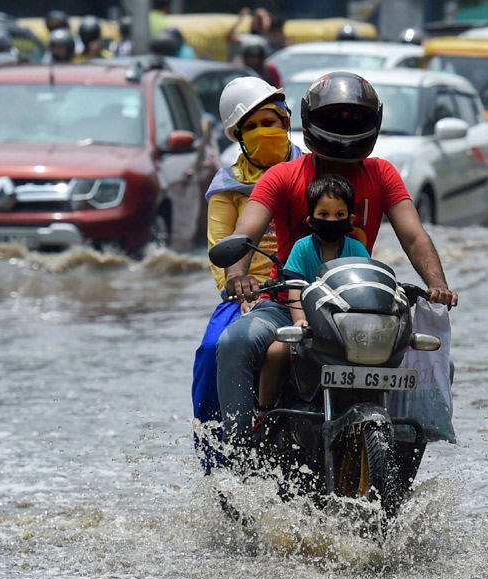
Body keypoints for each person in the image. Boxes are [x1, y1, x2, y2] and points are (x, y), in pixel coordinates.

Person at [215, 71, 457, 450]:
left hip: (359, 311)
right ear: (311, 125)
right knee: (236, 340)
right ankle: (242, 454)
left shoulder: (382, 173)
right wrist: (237, 274)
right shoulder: (282, 176)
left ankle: (402, 459)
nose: (345, 128)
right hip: (285, 305)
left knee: (438, 362)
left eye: (355, 119)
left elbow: (413, 234)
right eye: (334, 119)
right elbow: (246, 230)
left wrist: (437, 285)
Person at [191, 78, 303, 471]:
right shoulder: (226, 186)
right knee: (210, 352)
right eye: (251, 127)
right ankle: (221, 456)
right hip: (250, 295)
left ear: (287, 121)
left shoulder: (313, 172)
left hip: (309, 288)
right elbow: (219, 251)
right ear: (238, 137)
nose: (263, 132)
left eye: (270, 121)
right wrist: (240, 291)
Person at [257, 174, 370, 409]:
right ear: (310, 219)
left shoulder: (356, 248)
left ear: (350, 218)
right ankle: (264, 414)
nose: (332, 220)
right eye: (324, 215)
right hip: (309, 327)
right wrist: (299, 322)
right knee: (276, 353)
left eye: (339, 215)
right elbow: (294, 289)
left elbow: (366, 286)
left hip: (347, 329)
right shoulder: (301, 247)